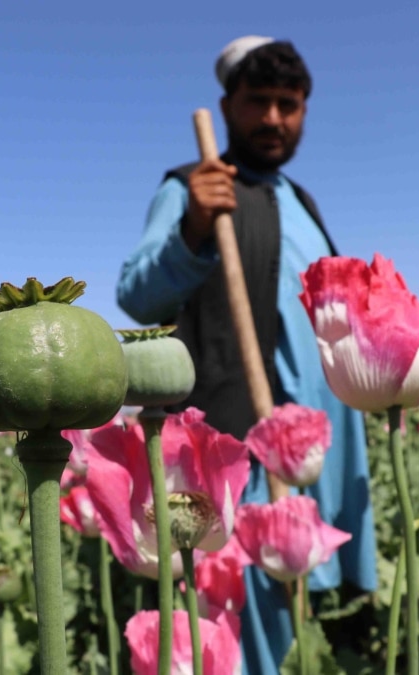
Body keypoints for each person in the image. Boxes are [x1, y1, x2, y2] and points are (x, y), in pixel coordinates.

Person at [116, 36, 378, 674]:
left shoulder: (302, 200)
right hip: (240, 428)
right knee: (247, 596)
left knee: (307, 589)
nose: (272, 119)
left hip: (317, 434)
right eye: (257, 102)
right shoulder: (189, 187)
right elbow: (136, 294)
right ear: (227, 105)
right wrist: (194, 230)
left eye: (288, 105)